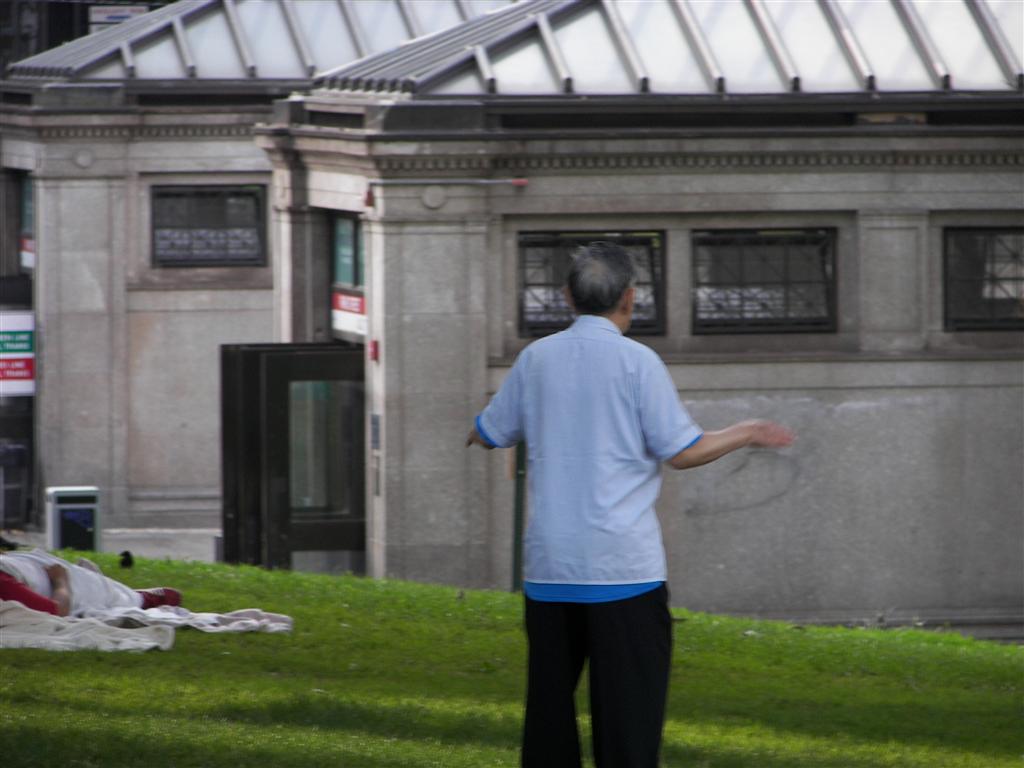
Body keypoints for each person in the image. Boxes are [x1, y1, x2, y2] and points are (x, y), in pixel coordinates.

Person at [466, 241, 795, 768]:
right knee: (629, 721)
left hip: (550, 569)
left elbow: (486, 433)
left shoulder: (535, 359)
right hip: (623, 570)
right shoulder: (638, 363)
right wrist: (746, 431)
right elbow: (683, 452)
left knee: (549, 714)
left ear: (568, 296)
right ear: (630, 298)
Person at [0, 549, 180, 617]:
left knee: (94, 583)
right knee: (171, 596)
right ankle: (139, 599)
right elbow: (56, 610)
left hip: (45, 568)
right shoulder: (4, 583)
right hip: (61, 581)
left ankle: (123, 593)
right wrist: (61, 581)